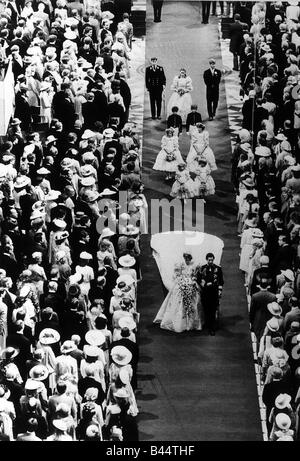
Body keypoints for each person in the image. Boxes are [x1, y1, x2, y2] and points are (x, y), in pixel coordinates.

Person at [153, 252, 203, 333]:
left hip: (191, 284)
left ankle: (192, 323)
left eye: (188, 258)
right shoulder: (180, 265)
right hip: (182, 284)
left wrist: (193, 280)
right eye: (185, 258)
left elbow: (194, 275)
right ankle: (179, 322)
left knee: (194, 302)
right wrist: (182, 281)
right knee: (178, 301)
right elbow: (177, 275)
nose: (186, 260)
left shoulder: (194, 266)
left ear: (190, 258)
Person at [196, 252, 224, 335]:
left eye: (212, 260)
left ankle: (212, 327)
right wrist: (204, 284)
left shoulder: (218, 269)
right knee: (206, 309)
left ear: (213, 259)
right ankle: (208, 324)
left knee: (213, 309)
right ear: (206, 260)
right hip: (205, 292)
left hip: (214, 292)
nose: (210, 261)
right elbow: (198, 279)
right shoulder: (202, 268)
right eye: (209, 260)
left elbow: (221, 281)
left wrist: (219, 291)